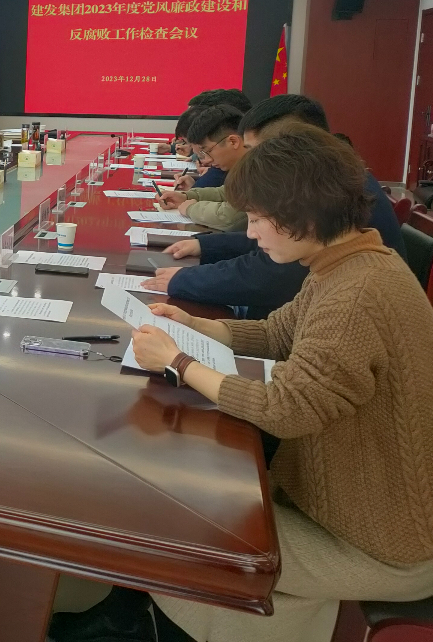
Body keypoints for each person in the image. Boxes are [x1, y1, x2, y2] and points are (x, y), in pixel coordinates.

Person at [130, 126, 433, 642]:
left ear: (302, 217)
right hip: (350, 507)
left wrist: (178, 361)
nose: (250, 234)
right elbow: (276, 333)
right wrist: (196, 325)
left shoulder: (357, 293)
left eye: (257, 219)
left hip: (381, 541)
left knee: (172, 526)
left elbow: (287, 408)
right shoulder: (347, 263)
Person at [144, 94, 405, 315]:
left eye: (255, 150)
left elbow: (271, 276)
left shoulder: (324, 191)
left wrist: (185, 280)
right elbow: (271, 240)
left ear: (293, 146)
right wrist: (206, 245)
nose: (250, 160)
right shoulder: (329, 175)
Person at [157, 104, 248, 231]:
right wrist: (186, 197)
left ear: (233, 141)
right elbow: (226, 192)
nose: (207, 161)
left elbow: (230, 217)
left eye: (206, 151)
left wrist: (191, 209)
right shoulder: (245, 166)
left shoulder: (262, 163)